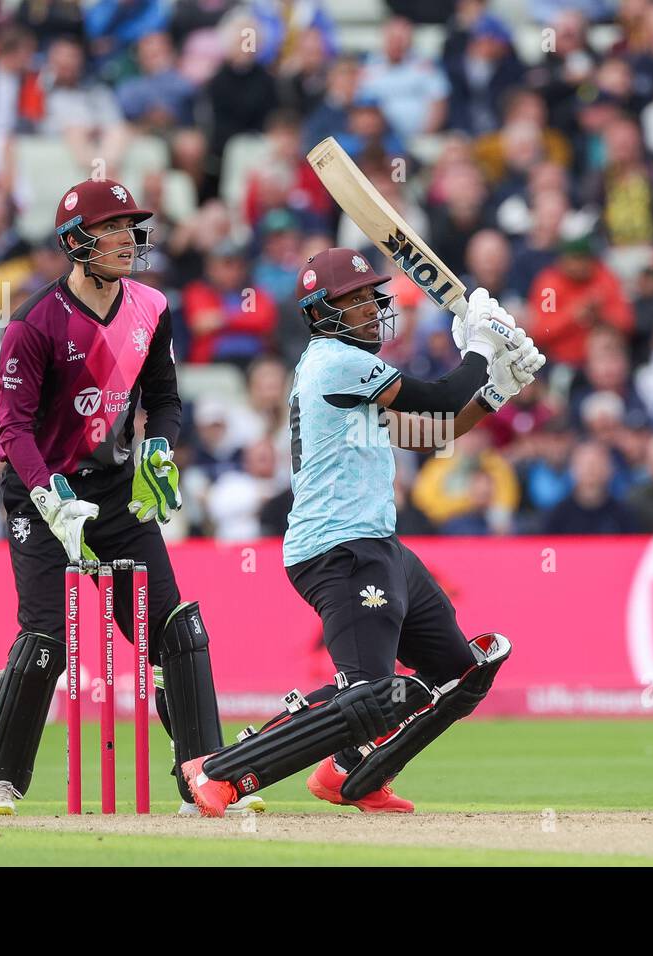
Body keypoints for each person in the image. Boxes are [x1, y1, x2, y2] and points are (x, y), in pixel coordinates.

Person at [180, 250, 545, 816]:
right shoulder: (332, 362)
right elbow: (443, 395)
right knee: (371, 694)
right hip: (337, 549)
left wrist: (496, 388)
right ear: (322, 312)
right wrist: (479, 345)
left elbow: (433, 431)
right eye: (356, 300)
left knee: (461, 672)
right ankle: (222, 768)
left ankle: (353, 774)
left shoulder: (348, 370)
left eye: (373, 297)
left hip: (377, 544)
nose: (373, 310)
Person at [0, 178, 263, 817]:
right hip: (41, 496)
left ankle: (205, 779)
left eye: (132, 226)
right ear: (77, 241)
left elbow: (163, 400)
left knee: (175, 632)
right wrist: (48, 494)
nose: (128, 239)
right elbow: (14, 430)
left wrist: (158, 448)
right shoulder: (33, 324)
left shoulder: (152, 307)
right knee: (47, 638)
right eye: (112, 227)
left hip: (113, 493)